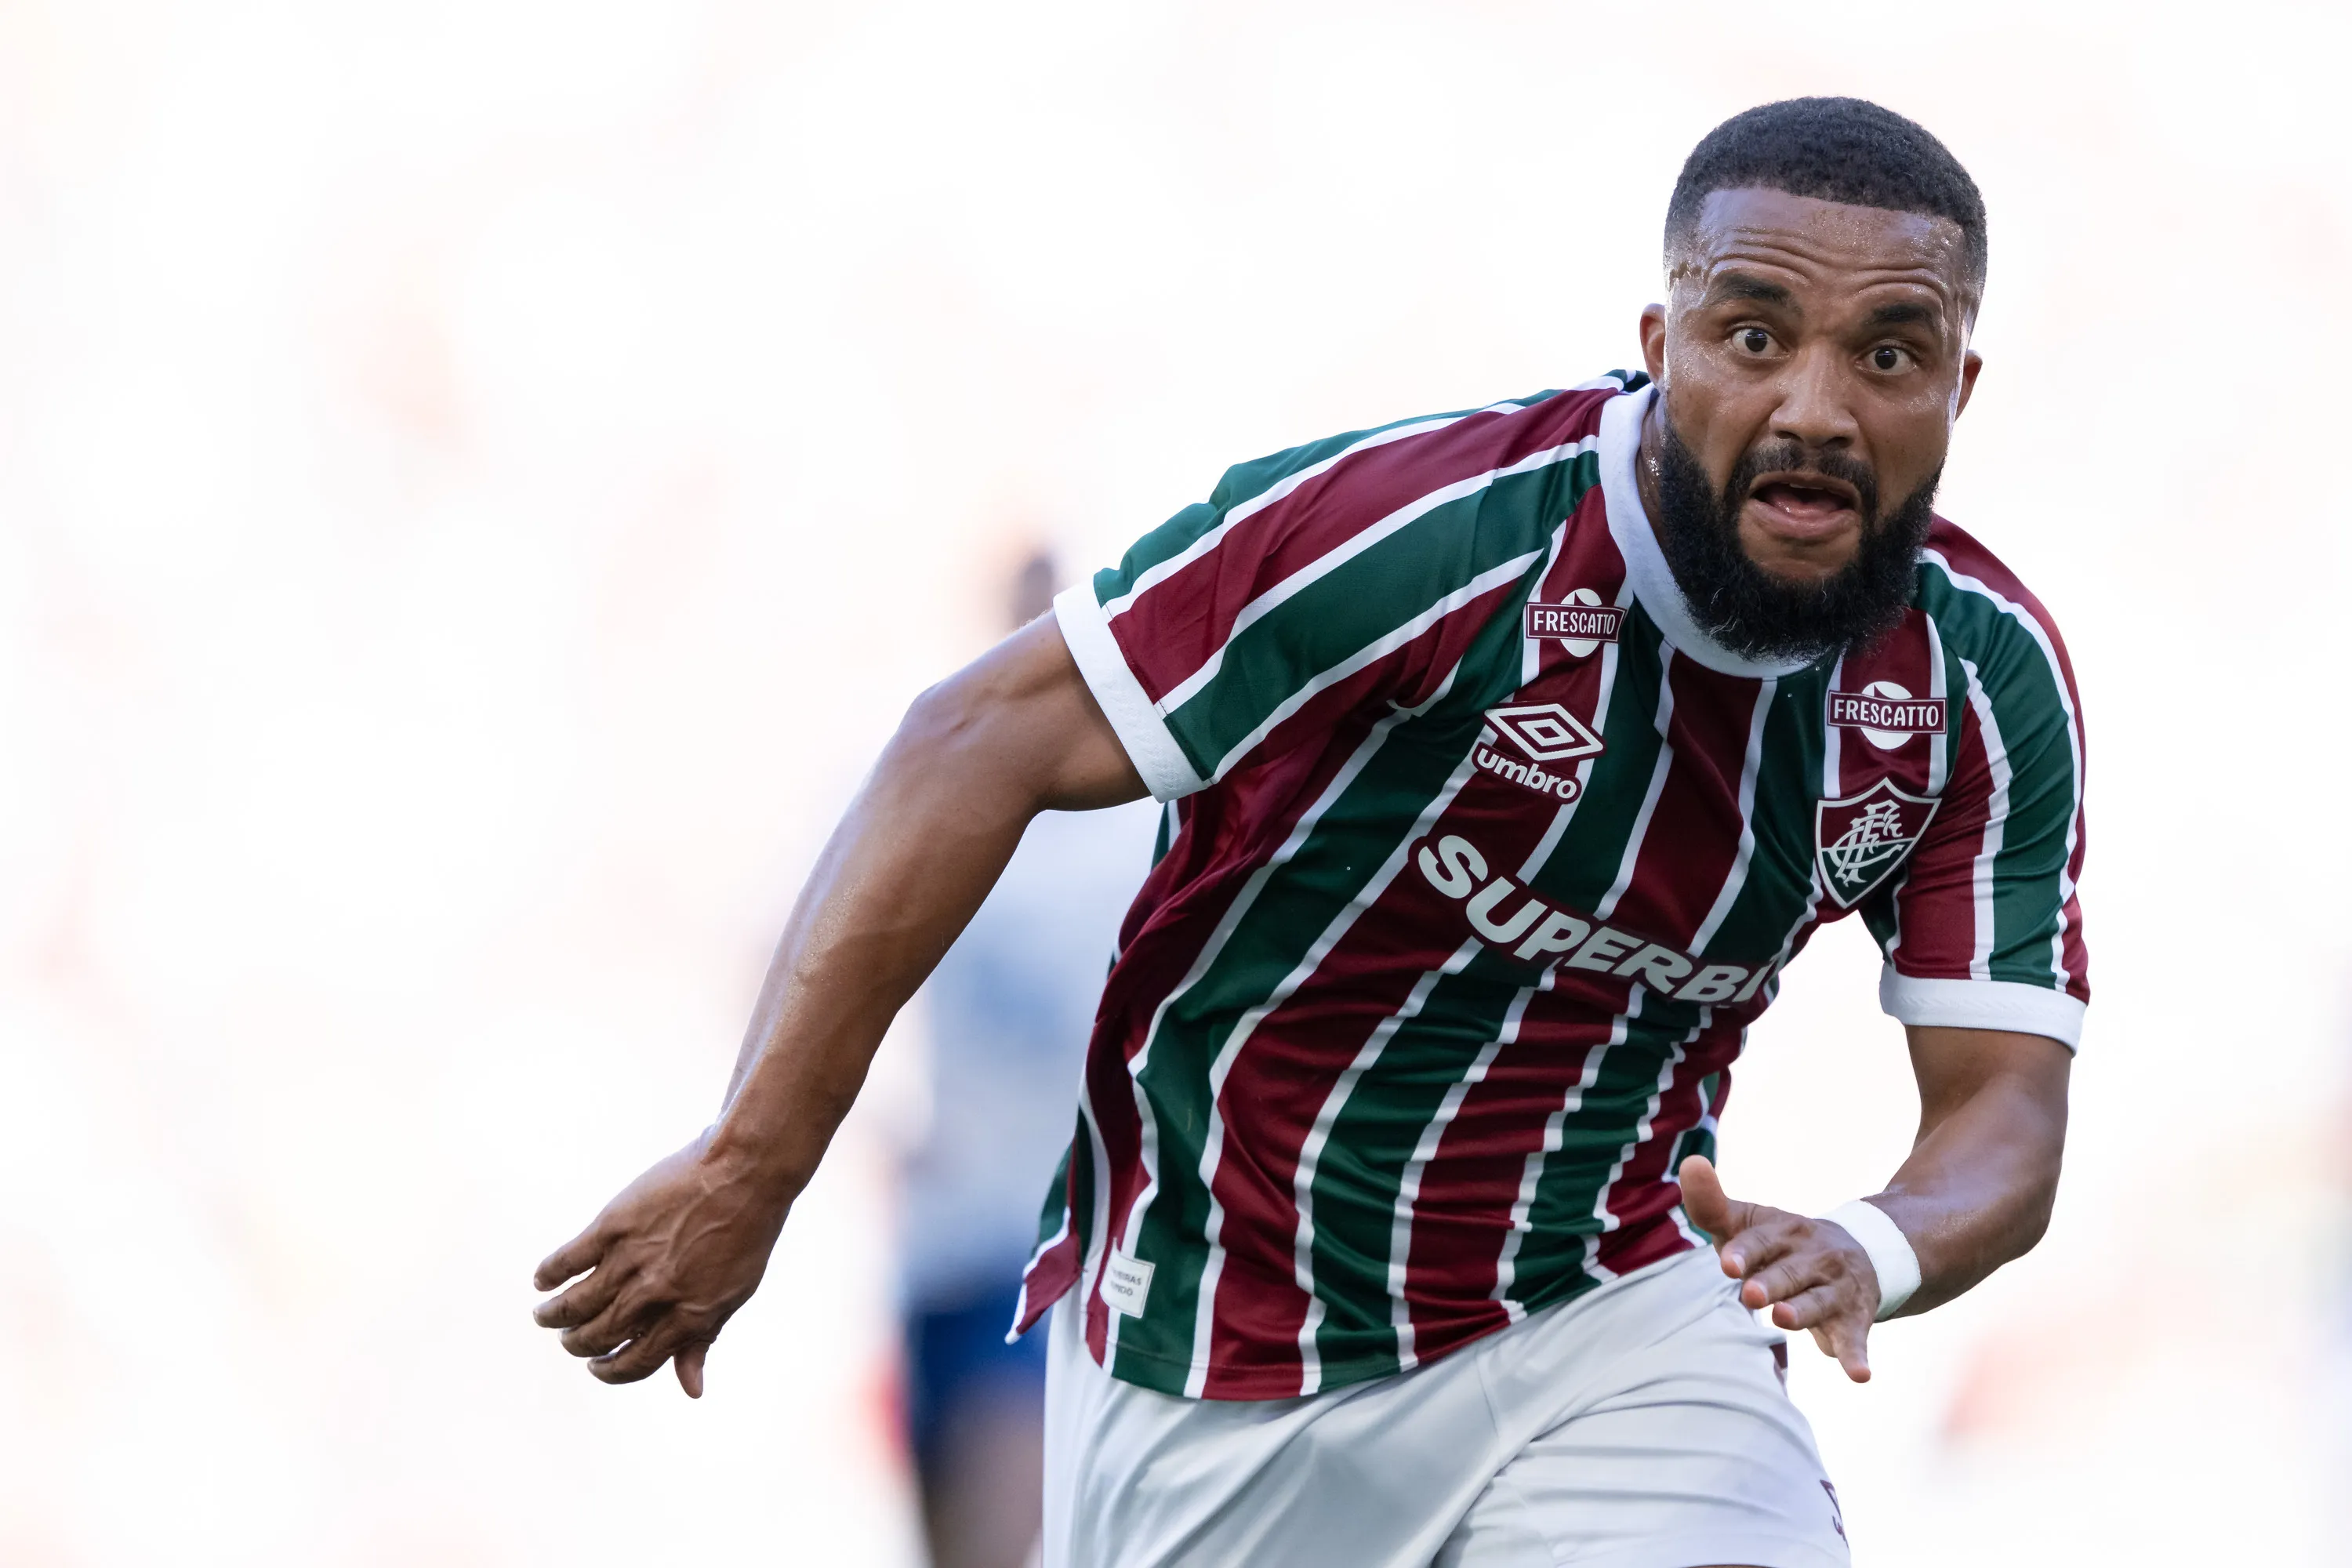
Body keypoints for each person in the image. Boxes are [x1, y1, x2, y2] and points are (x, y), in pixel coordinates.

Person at [533, 96, 2085, 1568]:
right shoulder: (1429, 538)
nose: (1816, 405)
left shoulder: (1977, 679)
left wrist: (1880, 1243)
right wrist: (753, 1165)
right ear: (1659, 344)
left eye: (1890, 352)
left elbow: (2005, 1109)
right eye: (1755, 335)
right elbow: (968, 737)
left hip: (1607, 1309)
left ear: (1958, 387)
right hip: (1233, 1324)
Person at [893, 550, 1160, 1568]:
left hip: (1066, 1250)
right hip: (950, 1244)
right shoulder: (926, 783)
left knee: (1023, 1532)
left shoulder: (1146, 816)